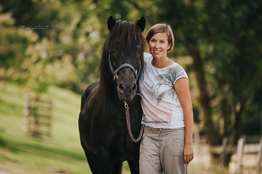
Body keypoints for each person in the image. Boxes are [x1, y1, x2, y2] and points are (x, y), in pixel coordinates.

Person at [139, 23, 194, 174]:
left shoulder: (176, 71)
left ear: (169, 45)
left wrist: (188, 143)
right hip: (149, 136)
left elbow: (188, 109)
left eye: (162, 42)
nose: (157, 46)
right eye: (153, 40)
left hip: (174, 135)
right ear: (148, 42)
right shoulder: (142, 62)